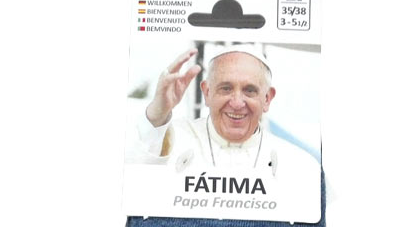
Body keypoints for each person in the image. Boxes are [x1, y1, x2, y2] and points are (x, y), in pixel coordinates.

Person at [130, 47, 319, 174]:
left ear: (267, 98)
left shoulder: (298, 164)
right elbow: (135, 178)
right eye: (226, 88)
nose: (237, 103)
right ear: (207, 92)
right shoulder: (175, 139)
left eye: (249, 90)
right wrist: (157, 113)